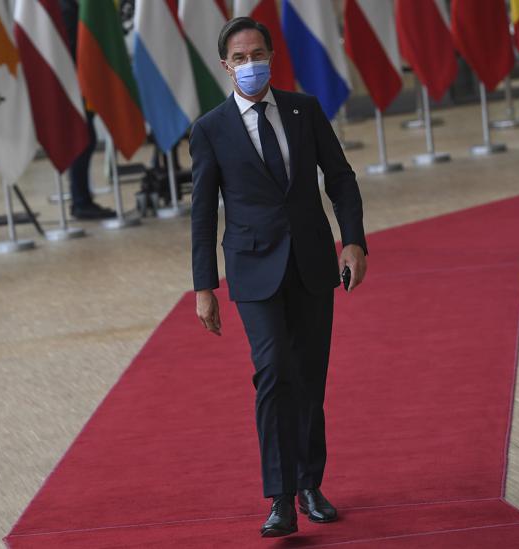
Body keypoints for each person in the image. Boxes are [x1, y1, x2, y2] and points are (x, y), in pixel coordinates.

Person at [190, 17, 368, 538]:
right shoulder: (211, 129)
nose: (251, 64)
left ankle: (312, 484)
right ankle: (281, 496)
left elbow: (340, 178)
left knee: (310, 378)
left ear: (272, 56)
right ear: (226, 66)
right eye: (240, 58)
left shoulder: (303, 110)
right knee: (273, 375)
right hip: (252, 270)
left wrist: (353, 241)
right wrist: (205, 286)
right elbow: (202, 213)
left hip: (313, 265)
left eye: (258, 54)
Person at [59, 0, 115, 220]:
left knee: (85, 138)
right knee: (83, 138)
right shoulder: (68, 8)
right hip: (74, 82)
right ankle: (81, 201)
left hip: (77, 81)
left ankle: (82, 198)